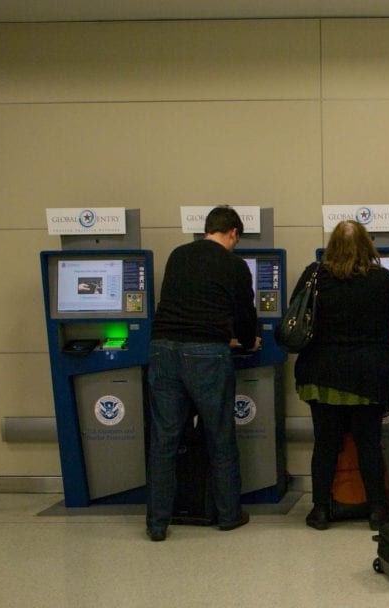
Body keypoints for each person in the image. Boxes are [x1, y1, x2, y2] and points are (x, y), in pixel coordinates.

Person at [146, 205, 260, 542]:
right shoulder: (234, 264)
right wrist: (247, 340)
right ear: (233, 234)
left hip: (163, 348)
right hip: (207, 354)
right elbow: (244, 313)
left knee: (164, 439)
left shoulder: (178, 255)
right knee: (220, 434)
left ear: (206, 229)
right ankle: (228, 515)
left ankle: (157, 523)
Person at [292, 220, 389, 531]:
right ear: (366, 246)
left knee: (325, 443)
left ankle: (320, 510)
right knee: (369, 443)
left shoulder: (314, 275)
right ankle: (378, 510)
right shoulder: (379, 278)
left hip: (321, 375)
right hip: (366, 376)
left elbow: (296, 310)